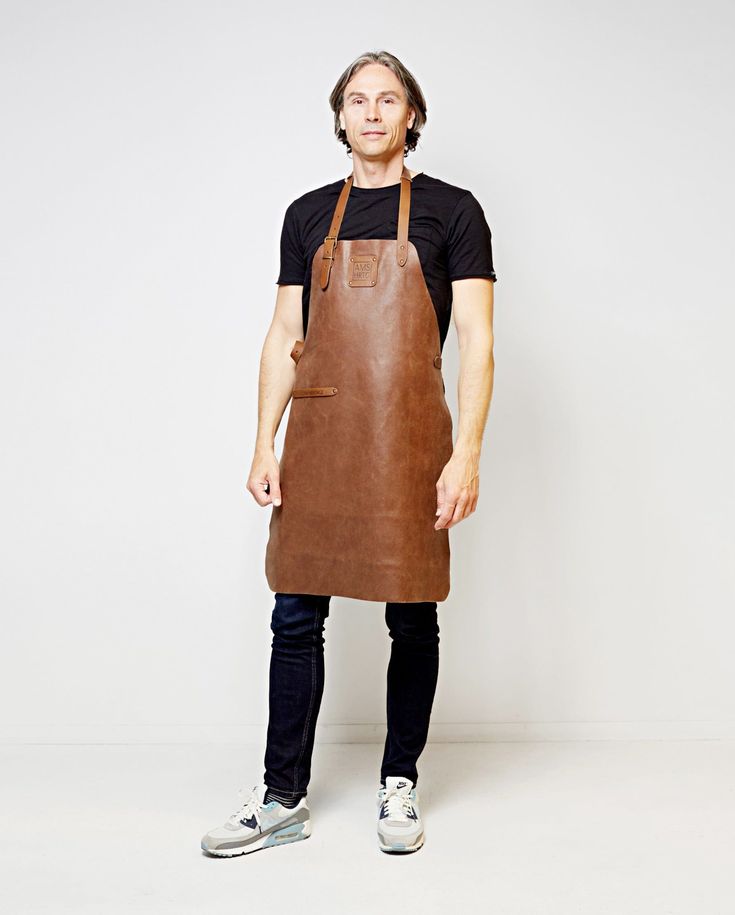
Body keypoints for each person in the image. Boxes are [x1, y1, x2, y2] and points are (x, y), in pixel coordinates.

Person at [201, 49, 496, 858]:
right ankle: (280, 795)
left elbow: (476, 342)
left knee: (413, 614)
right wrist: (262, 439)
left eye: (388, 99)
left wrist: (464, 452)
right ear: (339, 117)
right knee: (294, 614)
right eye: (357, 100)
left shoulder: (452, 211)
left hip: (409, 439)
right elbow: (283, 336)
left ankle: (397, 780)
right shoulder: (305, 215)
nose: (371, 112)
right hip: (321, 437)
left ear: (412, 117)